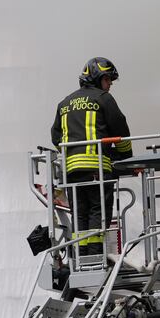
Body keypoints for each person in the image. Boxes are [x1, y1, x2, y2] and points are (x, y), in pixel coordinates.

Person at [50, 56, 133, 256]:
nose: (110, 85)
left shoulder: (65, 103)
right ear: (96, 78)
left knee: (79, 214)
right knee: (98, 213)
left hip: (72, 172)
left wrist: (72, 154)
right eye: (107, 80)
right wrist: (126, 159)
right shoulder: (103, 99)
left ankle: (81, 258)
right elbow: (120, 130)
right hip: (97, 169)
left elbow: (55, 137)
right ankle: (95, 257)